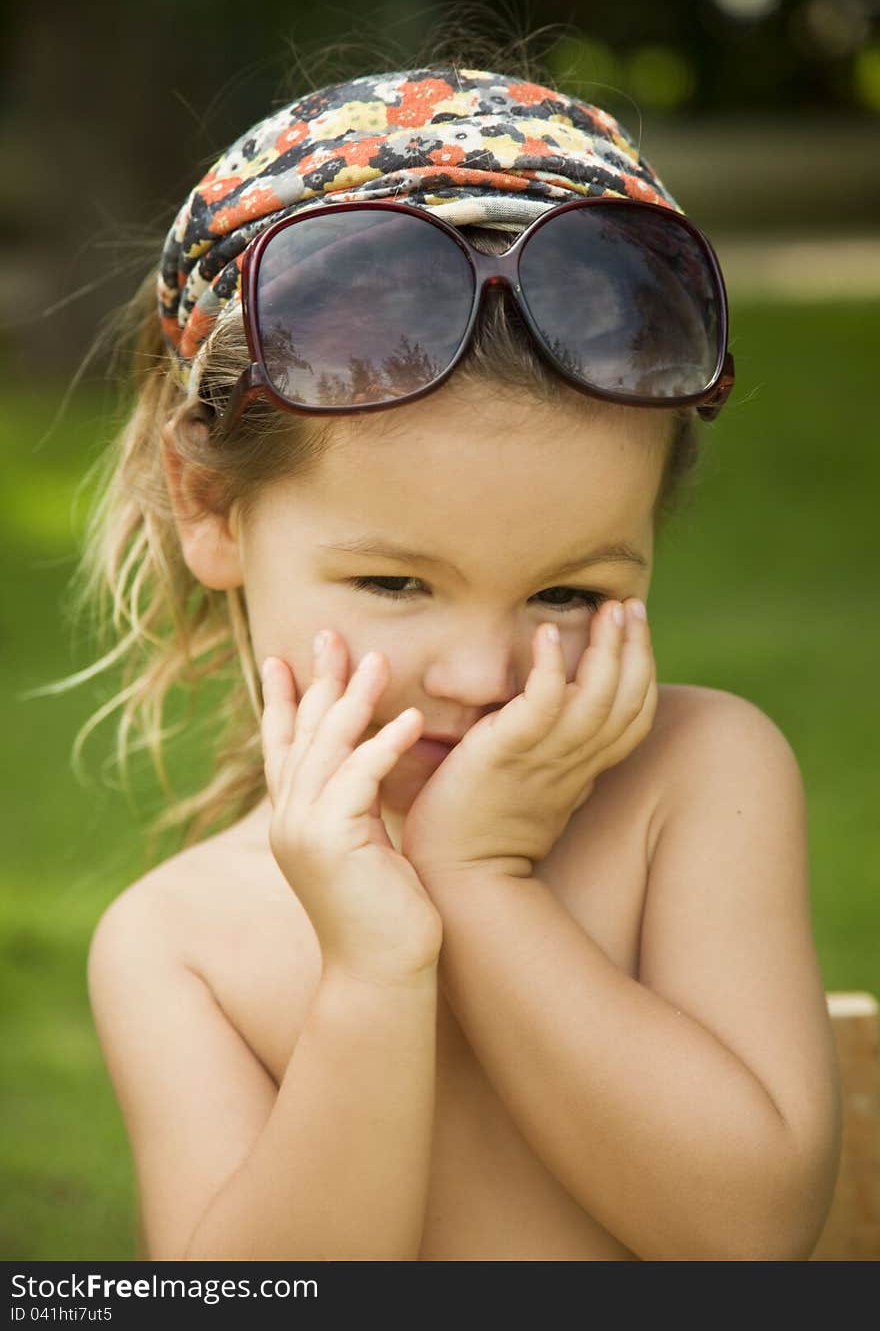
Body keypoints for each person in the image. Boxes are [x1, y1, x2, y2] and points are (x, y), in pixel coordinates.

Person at [82, 63, 841, 1261]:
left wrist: (482, 884)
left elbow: (746, 1238)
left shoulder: (695, 780)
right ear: (208, 505)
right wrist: (374, 979)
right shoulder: (183, 942)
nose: (486, 674)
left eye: (569, 592)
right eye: (395, 583)